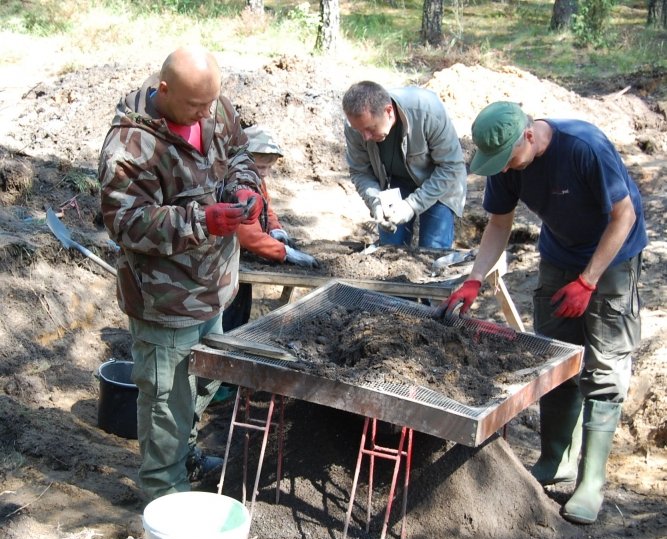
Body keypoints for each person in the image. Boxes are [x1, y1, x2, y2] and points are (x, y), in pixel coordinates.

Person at [440, 101, 647, 525]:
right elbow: (499, 225)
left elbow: (623, 216)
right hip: (559, 255)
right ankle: (556, 459)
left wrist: (589, 281)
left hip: (612, 256)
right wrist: (476, 278)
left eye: (510, 159)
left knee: (604, 365)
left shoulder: (583, 147)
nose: (506, 169)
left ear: (529, 136)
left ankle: (591, 481)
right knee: (555, 354)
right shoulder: (506, 166)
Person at [98, 46, 263, 501]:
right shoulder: (129, 149)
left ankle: (183, 459)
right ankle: (164, 501)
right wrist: (202, 221)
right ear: (164, 90)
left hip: (214, 288)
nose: (207, 113)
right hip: (165, 304)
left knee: (201, 385)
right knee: (166, 406)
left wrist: (247, 188)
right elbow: (125, 223)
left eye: (212, 103)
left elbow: (239, 153)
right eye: (195, 106)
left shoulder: (211, 104)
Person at [342, 80, 467, 249]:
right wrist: (376, 202)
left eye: (371, 129)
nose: (365, 137)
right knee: (389, 250)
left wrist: (411, 205)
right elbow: (360, 171)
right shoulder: (356, 126)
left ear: (388, 111)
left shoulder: (428, 111)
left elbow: (451, 167)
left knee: (432, 251)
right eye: (360, 131)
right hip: (395, 182)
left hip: (439, 182)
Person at [222, 125, 319, 332]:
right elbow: (249, 235)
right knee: (228, 316)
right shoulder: (238, 184)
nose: (265, 173)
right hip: (226, 261)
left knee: (241, 309)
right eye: (261, 167)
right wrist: (285, 253)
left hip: (241, 260)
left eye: (269, 167)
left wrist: (276, 230)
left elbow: (266, 209)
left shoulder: (256, 180)